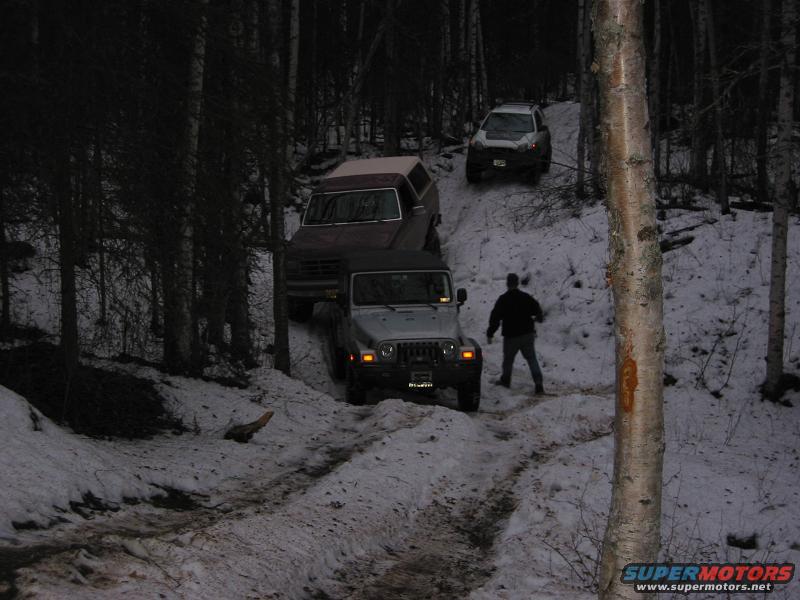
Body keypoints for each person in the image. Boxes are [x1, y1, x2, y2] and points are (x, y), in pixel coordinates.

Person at [486, 273, 545, 394]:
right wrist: (538, 317)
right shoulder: (526, 297)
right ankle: (538, 383)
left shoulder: (503, 299)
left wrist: (490, 333)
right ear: (517, 283)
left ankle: (506, 380)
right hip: (527, 334)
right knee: (532, 358)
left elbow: (495, 318)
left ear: (507, 283)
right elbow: (537, 309)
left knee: (508, 360)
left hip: (511, 337)